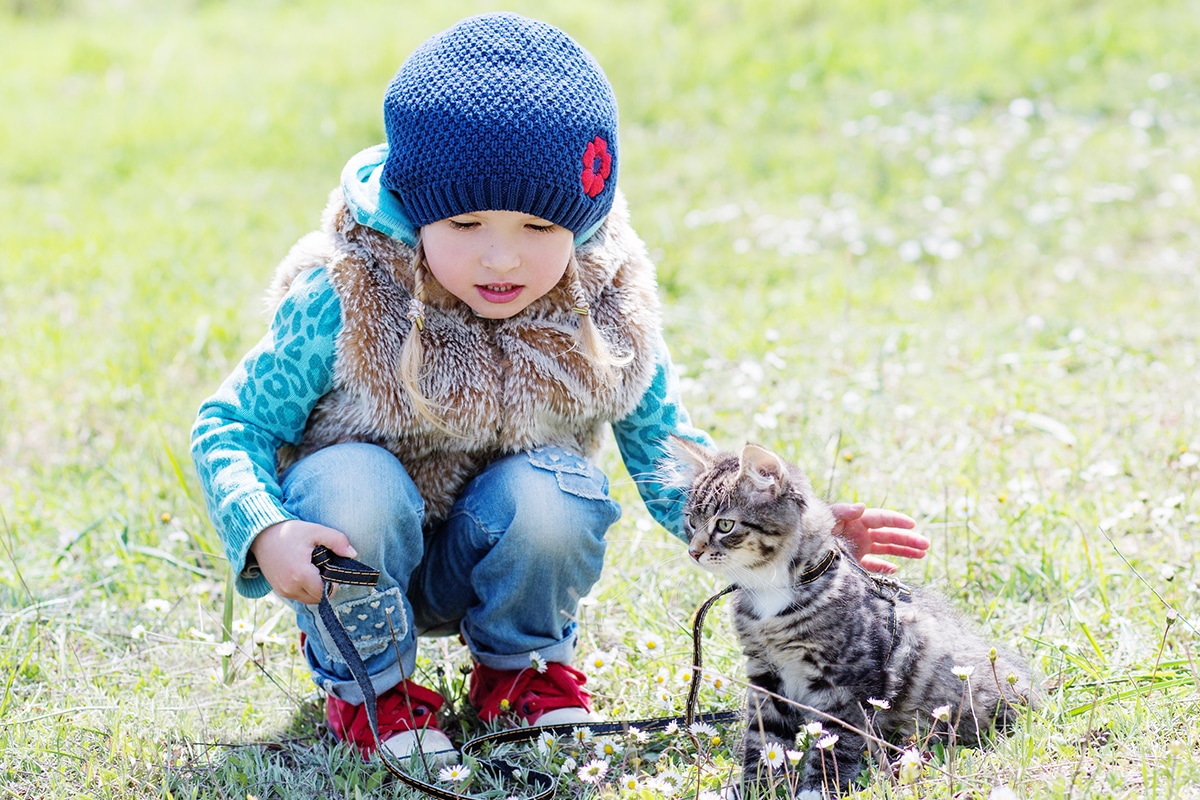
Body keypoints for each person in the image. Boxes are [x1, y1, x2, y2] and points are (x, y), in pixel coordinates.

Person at [190, 11, 928, 763]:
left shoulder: (606, 307)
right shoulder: (349, 295)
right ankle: (373, 691)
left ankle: (522, 672)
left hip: (501, 557)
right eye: (466, 224)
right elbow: (229, 424)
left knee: (556, 490)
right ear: (412, 210)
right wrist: (267, 529)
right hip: (357, 553)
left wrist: (794, 533)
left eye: (540, 228)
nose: (502, 258)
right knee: (354, 479)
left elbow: (667, 454)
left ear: (583, 221)